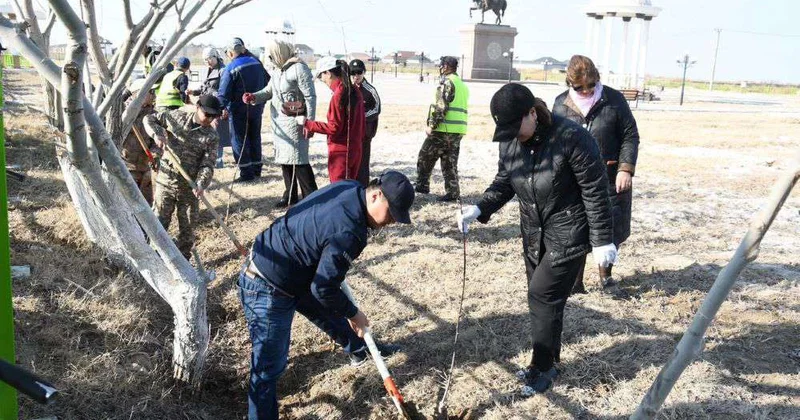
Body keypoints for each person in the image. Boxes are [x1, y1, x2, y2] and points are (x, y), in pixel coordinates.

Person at [458, 84, 616, 395]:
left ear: (532, 112)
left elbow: (596, 192)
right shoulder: (512, 141)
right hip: (534, 232)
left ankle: (543, 367)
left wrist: (601, 241)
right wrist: (479, 208)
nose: (512, 135)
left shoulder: (571, 138)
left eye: (515, 126)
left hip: (569, 230)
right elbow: (506, 180)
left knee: (542, 297)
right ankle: (545, 360)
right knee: (545, 300)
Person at [239, 171, 413, 419]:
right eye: (391, 214)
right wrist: (355, 314)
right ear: (376, 195)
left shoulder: (351, 187)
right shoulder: (350, 232)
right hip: (268, 284)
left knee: (330, 308)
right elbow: (323, 287)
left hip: (290, 263)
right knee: (268, 369)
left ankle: (359, 348)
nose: (392, 222)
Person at [552, 55, 640, 293]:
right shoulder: (561, 104)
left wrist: (625, 168)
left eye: (590, 86)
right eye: (579, 87)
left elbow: (630, 135)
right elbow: (554, 143)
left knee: (611, 226)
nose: (586, 91)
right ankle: (575, 282)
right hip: (574, 180)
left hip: (610, 177)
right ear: (569, 84)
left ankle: (606, 277)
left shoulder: (614, 100)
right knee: (575, 229)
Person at [143, 95, 221, 258]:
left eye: (214, 116)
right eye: (207, 114)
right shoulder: (176, 117)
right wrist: (158, 134)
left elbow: (208, 164)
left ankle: (183, 262)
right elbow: (149, 119)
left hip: (189, 188)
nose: (210, 119)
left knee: (187, 232)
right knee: (158, 225)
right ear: (198, 107)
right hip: (166, 182)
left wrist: (201, 184)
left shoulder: (211, 136)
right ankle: (154, 259)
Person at [243, 39, 318, 207]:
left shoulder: (299, 68)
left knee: (299, 161)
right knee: (285, 161)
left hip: (295, 122)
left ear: (279, 53)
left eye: (271, 56)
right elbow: (269, 91)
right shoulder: (277, 71)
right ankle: (290, 195)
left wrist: (309, 122)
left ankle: (312, 198)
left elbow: (310, 97)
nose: (270, 60)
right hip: (279, 123)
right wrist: (254, 97)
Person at [301, 57, 365, 183]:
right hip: (355, 148)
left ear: (328, 73)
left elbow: (334, 127)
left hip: (341, 152)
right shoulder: (354, 90)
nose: (322, 80)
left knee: (339, 190)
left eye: (321, 77)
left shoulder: (339, 94)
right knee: (351, 187)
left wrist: (307, 123)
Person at [415, 56, 469, 202]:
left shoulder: (447, 82)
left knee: (425, 157)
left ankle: (422, 186)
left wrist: (431, 125)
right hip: (458, 130)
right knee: (449, 162)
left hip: (443, 129)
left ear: (446, 67)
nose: (440, 68)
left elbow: (441, 106)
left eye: (441, 65)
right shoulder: (462, 84)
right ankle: (453, 192)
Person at [218, 37, 270, 183]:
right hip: (257, 107)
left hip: (238, 110)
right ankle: (257, 169)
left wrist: (217, 109)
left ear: (230, 53)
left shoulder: (231, 68)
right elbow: (268, 82)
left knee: (239, 139)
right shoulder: (257, 63)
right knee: (255, 137)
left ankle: (246, 173)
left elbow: (223, 93)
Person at [188, 47, 230, 169]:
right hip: (205, 105)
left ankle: (218, 160)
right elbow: (204, 87)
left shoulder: (223, 71)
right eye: (205, 60)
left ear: (215, 57)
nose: (207, 62)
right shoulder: (208, 70)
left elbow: (225, 91)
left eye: (209, 59)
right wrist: (194, 92)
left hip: (216, 105)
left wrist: (224, 107)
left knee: (217, 133)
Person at [121, 78, 160, 205]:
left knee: (146, 204)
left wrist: (155, 154)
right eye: (151, 91)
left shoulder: (153, 115)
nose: (153, 95)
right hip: (126, 168)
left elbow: (157, 141)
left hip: (144, 168)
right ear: (138, 94)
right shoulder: (124, 113)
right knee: (128, 203)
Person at [349, 58, 382, 186]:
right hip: (350, 134)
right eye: (353, 73)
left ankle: (362, 187)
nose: (356, 76)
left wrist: (360, 117)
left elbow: (377, 108)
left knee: (362, 163)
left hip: (364, 134)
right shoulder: (347, 88)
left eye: (359, 73)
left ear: (364, 73)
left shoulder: (370, 90)